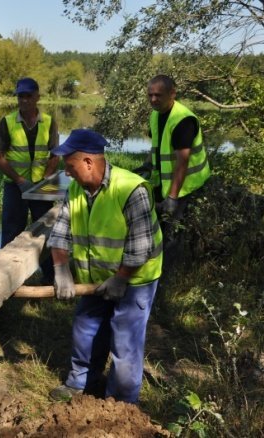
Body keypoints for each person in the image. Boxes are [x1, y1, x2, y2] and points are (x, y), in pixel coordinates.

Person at [47, 129, 163, 404]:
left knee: (125, 342)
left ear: (88, 162)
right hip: (95, 277)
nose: (66, 173)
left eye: (70, 165)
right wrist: (61, 270)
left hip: (135, 280)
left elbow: (140, 246)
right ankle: (80, 384)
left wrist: (121, 279)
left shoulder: (131, 189)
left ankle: (120, 405)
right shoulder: (76, 189)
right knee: (85, 330)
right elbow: (60, 233)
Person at [0, 77, 60, 284]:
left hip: (42, 188)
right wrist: (20, 180)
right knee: (12, 233)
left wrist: (47, 178)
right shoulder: (7, 122)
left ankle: (50, 278)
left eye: (28, 96)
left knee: (46, 233)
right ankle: (6, 279)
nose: (23, 100)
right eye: (20, 96)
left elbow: (55, 154)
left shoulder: (48, 122)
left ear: (37, 97)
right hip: (15, 187)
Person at [140, 74, 210, 255]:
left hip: (185, 185)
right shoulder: (156, 115)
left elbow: (183, 161)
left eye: (158, 95)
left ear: (172, 93)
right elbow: (157, 144)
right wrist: (147, 165)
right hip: (163, 183)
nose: (153, 100)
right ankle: (155, 263)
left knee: (173, 233)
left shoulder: (183, 120)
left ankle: (168, 274)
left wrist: (172, 197)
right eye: (150, 95)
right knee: (157, 227)